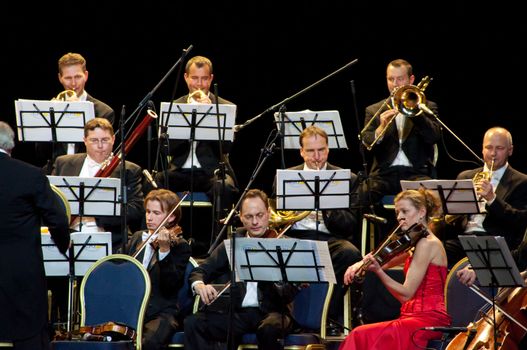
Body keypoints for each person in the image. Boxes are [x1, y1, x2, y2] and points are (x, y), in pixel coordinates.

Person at [185, 189, 300, 350]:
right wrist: (199, 285)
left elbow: (288, 295)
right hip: (240, 313)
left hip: (274, 313)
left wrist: (278, 279)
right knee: (194, 323)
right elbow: (201, 271)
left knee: (268, 329)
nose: (255, 222)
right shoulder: (234, 242)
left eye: (259, 215)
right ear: (240, 217)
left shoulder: (283, 245)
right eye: (248, 216)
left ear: (268, 213)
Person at [340, 188, 451, 350]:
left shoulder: (427, 244)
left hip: (427, 319)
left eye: (405, 211)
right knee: (362, 334)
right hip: (412, 316)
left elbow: (406, 293)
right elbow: (383, 259)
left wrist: (378, 271)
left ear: (421, 212)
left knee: (359, 334)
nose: (400, 217)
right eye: (398, 212)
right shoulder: (415, 243)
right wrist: (360, 264)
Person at [279, 125, 362, 331]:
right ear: (301, 151)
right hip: (296, 236)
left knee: (350, 253)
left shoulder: (346, 178)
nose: (316, 157)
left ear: (328, 149)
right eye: (310, 151)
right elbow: (278, 216)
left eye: (321, 150)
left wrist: (325, 204)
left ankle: (326, 315)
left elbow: (350, 224)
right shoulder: (287, 176)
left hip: (329, 239)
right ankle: (286, 314)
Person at [0, 121, 70, 349]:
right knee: (29, 335)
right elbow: (57, 218)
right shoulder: (30, 175)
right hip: (22, 270)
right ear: (11, 145)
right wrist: (63, 244)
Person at [150, 55, 239, 232]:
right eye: (194, 78)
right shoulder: (175, 106)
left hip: (210, 172)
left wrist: (209, 113)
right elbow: (165, 148)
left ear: (211, 79)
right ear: (186, 78)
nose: (199, 84)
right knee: (153, 183)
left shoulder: (224, 107)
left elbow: (226, 148)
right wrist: (189, 124)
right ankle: (157, 238)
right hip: (179, 169)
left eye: (204, 79)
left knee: (225, 187)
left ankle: (218, 243)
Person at [51, 117, 144, 252]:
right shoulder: (63, 163)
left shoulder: (129, 170)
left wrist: (96, 215)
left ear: (113, 139)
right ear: (85, 140)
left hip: (111, 240)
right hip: (68, 237)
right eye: (94, 140)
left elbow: (135, 209)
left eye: (105, 140)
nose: (100, 146)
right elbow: (51, 200)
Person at [359, 59, 441, 206]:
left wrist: (416, 112)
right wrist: (380, 130)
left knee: (435, 199)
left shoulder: (427, 106)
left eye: (400, 79)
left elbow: (433, 137)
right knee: (360, 196)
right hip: (383, 176)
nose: (395, 84)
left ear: (411, 80)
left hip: (416, 174)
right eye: (391, 79)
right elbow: (366, 144)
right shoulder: (374, 109)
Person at [443, 126, 527, 268]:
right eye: (488, 148)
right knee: (431, 249)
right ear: (482, 149)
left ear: (510, 150)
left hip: (493, 242)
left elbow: (519, 221)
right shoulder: (465, 177)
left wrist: (492, 199)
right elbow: (454, 219)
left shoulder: (522, 181)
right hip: (464, 239)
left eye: (499, 148)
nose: (493, 153)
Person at [124, 189, 191, 350]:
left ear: (172, 217)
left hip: (161, 313)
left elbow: (170, 285)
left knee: (149, 342)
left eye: (156, 213)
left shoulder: (180, 246)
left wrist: (164, 251)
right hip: (133, 308)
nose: (149, 217)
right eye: (147, 211)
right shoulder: (136, 238)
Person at [37, 52, 115, 171]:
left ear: (86, 75)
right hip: (55, 170)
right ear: (60, 78)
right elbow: (41, 152)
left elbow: (100, 151)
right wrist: (51, 116)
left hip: (88, 170)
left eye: (78, 77)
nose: (73, 84)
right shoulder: (50, 109)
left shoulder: (103, 112)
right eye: (68, 78)